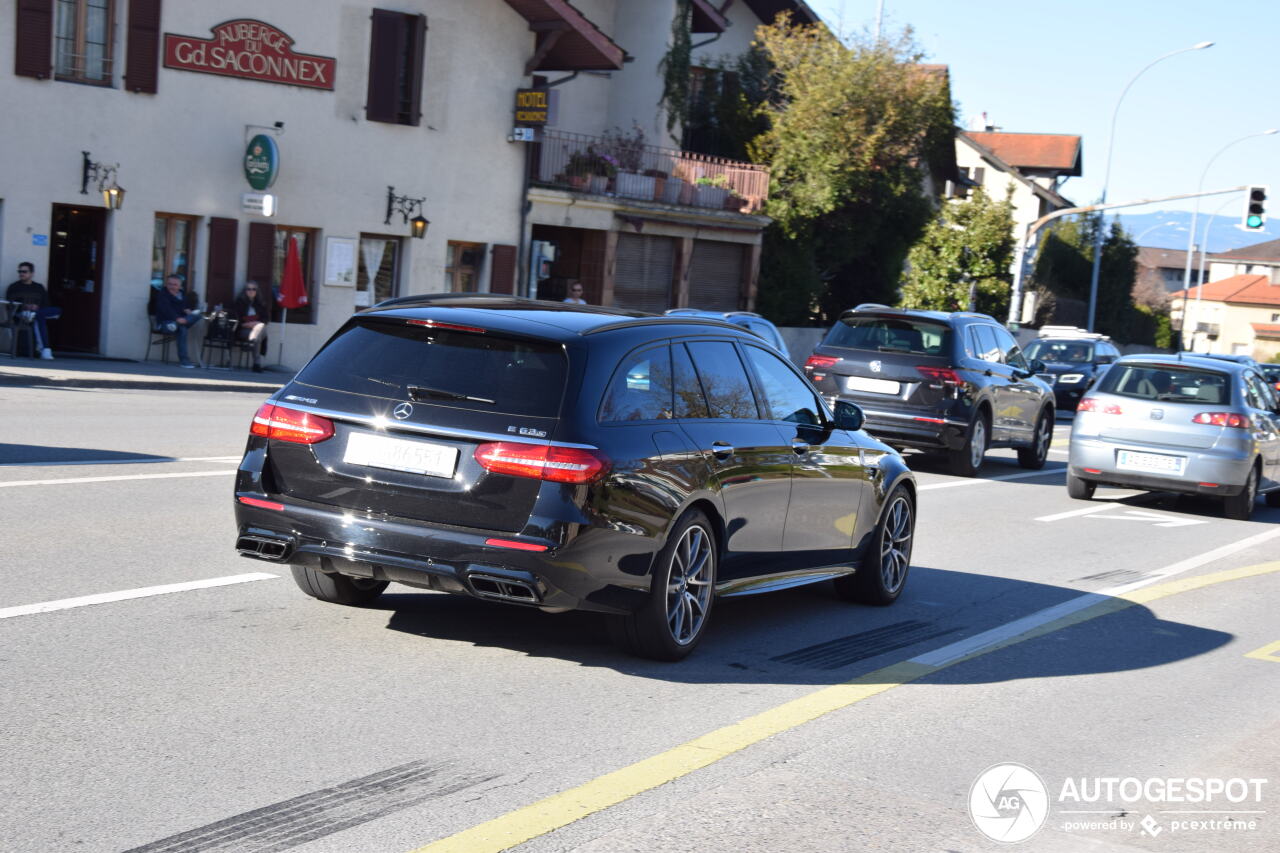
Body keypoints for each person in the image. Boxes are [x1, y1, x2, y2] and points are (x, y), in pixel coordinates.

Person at [6, 262, 61, 359]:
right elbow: (10, 305)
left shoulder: (39, 287)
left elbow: (46, 303)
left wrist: (36, 307)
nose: (21, 273)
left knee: (54, 310)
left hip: (38, 311)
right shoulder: (14, 287)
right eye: (20, 271)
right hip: (21, 313)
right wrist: (26, 306)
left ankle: (35, 315)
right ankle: (45, 350)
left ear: (31, 273)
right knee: (40, 318)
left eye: (24, 271)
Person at [154, 274, 203, 368]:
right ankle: (184, 361)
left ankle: (176, 324)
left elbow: (183, 308)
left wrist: (187, 311)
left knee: (197, 316)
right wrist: (177, 319)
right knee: (182, 330)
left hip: (178, 323)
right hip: (165, 323)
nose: (172, 287)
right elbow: (166, 310)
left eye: (174, 284)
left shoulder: (182, 295)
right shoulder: (162, 295)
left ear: (180, 286)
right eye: (169, 284)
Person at [233, 280, 270, 373]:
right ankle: (256, 364)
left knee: (260, 328)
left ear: (257, 291)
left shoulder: (261, 303)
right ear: (245, 291)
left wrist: (255, 324)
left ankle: (254, 339)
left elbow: (266, 319)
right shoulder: (239, 302)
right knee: (260, 331)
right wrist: (247, 324)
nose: (251, 291)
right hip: (244, 330)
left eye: (254, 289)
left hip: (257, 328)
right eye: (248, 289)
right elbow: (237, 319)